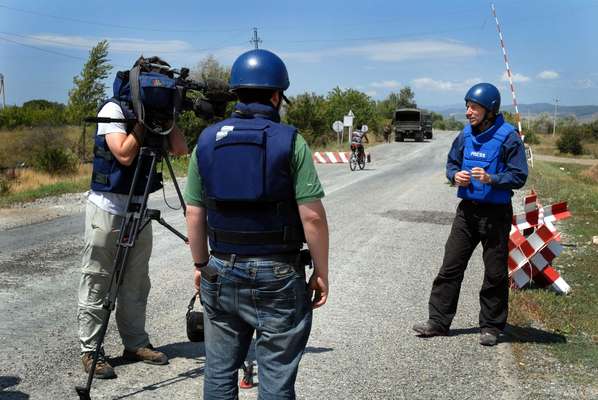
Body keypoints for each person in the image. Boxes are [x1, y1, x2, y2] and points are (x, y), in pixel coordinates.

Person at [185, 48, 329, 400]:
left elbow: (194, 212)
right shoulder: (291, 140)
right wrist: (321, 271)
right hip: (278, 274)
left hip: (220, 268)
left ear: (236, 93)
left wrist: (201, 264)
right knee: (276, 377)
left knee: (218, 372)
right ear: (277, 95)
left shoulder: (206, 140)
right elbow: (311, 215)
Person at [77, 56, 188, 379]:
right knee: (98, 278)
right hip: (108, 208)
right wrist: (142, 121)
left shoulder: (160, 117)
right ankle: (90, 349)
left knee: (137, 281)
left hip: (138, 208)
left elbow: (180, 150)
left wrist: (167, 116)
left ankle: (135, 342)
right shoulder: (113, 110)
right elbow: (124, 154)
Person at [412, 83, 528, 346]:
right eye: (466, 106)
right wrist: (455, 176)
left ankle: (491, 326)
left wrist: (492, 177)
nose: (468, 112)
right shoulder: (465, 135)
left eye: (473, 107)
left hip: (496, 213)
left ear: (490, 110)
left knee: (495, 273)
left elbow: (519, 175)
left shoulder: (509, 137)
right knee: (450, 267)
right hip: (467, 212)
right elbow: (451, 163)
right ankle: (438, 322)